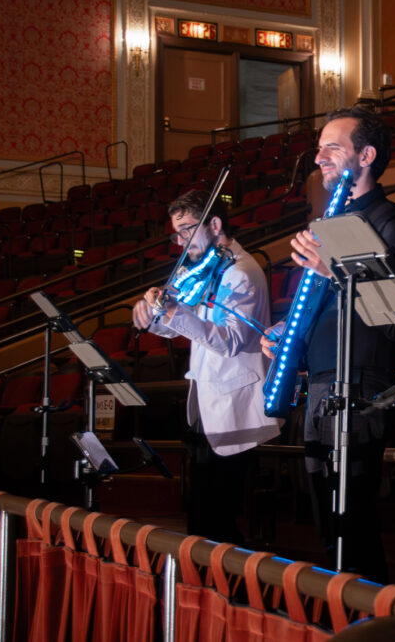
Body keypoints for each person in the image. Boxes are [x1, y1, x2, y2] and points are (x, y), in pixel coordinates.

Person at [262, 106, 395, 582]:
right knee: (325, 526)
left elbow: (393, 323)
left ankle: (372, 624)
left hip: (362, 391)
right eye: (319, 148)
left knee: (353, 525)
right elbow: (323, 309)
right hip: (321, 387)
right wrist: (286, 334)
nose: (319, 157)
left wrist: (333, 269)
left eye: (333, 147)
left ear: (366, 155)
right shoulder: (326, 227)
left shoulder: (393, 225)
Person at [132, 189, 280, 544]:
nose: (181, 241)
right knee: (201, 514)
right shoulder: (207, 270)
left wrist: (172, 312)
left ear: (215, 224)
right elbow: (175, 325)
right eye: (176, 233)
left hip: (234, 405)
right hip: (206, 404)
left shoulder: (241, 272)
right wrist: (151, 315)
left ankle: (231, 591)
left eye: (186, 230)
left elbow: (229, 340)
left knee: (218, 518)